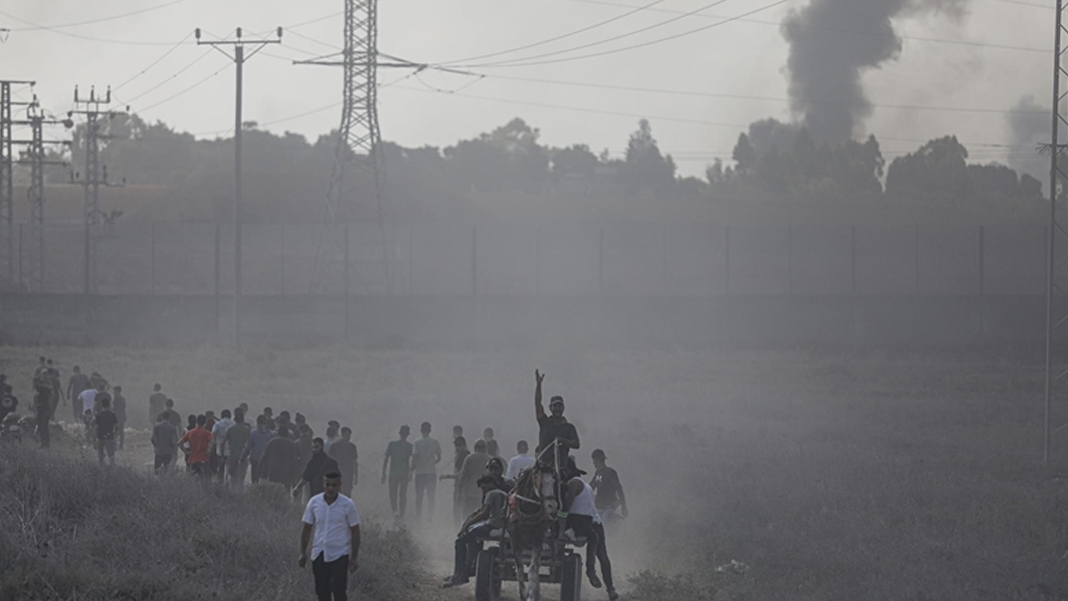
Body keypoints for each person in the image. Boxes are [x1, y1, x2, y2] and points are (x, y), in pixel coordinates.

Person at [299, 470, 360, 601]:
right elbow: (307, 529)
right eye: (328, 484)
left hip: (340, 554)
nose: (330, 488)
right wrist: (302, 553)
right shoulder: (314, 502)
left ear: (339, 485)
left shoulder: (347, 505)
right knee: (322, 592)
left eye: (334, 485)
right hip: (319, 553)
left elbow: (355, 531)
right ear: (323, 484)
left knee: (339, 589)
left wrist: (354, 558)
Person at [563, 457, 617, 601]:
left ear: (567, 471)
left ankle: (592, 571)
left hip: (586, 521)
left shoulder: (573, 483)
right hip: (593, 521)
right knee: (602, 555)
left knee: (600, 551)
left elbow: (567, 505)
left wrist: (560, 517)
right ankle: (610, 589)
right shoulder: (585, 485)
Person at [442, 476, 508, 588]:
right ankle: (468, 568)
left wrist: (466, 525)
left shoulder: (491, 494)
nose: (483, 490)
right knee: (473, 538)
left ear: (491, 483)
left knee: (460, 541)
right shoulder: (504, 494)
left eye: (484, 487)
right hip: (502, 525)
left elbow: (485, 514)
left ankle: (459, 574)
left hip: (491, 525)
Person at [534, 370, 580, 469]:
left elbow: (576, 444)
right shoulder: (545, 422)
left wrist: (563, 441)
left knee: (576, 484)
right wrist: (538, 385)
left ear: (563, 408)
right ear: (550, 408)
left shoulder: (569, 427)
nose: (557, 409)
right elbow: (538, 403)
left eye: (560, 406)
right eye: (555, 406)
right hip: (543, 468)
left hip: (562, 468)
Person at [442, 439, 490, 522]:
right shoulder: (489, 459)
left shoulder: (469, 458)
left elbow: (463, 476)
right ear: (485, 448)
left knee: (467, 515)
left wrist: (459, 491)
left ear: (475, 448)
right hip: (484, 494)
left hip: (470, 493)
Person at [382, 425, 413, 520]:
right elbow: (414, 460)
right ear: (408, 435)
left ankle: (395, 511)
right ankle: (402, 515)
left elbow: (386, 459)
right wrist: (411, 472)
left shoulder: (392, 444)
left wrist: (383, 473)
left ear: (400, 433)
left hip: (393, 473)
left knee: (393, 494)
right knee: (403, 494)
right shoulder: (410, 446)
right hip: (404, 473)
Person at [411, 421, 442, 521]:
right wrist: (433, 463)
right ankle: (430, 517)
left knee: (419, 496)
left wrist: (411, 470)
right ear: (430, 431)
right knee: (431, 496)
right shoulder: (435, 442)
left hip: (420, 473)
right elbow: (439, 457)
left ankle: (418, 516)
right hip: (431, 472)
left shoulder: (417, 442)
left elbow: (415, 458)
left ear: (421, 431)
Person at [590, 449, 628, 522]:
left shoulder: (610, 473)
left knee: (605, 526)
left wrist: (623, 505)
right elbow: (591, 487)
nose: (593, 463)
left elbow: (619, 489)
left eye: (594, 461)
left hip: (609, 506)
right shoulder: (597, 473)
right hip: (599, 507)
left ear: (597, 460)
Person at [445, 436, 471, 525]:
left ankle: (459, 528)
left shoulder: (464, 456)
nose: (456, 447)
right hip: (464, 486)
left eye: (458, 445)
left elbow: (461, 472)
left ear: (463, 445)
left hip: (461, 486)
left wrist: (448, 476)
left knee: (458, 509)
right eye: (456, 445)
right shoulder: (464, 455)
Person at [327, 426, 359, 498]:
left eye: (349, 435)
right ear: (342, 435)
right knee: (343, 494)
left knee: (343, 493)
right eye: (347, 435)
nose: (349, 437)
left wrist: (356, 475)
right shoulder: (335, 446)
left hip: (344, 473)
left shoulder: (351, 446)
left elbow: (354, 462)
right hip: (341, 473)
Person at [224, 410, 252, 486]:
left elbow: (223, 442)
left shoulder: (230, 429)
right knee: (241, 478)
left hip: (232, 455)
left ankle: (232, 494)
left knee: (232, 477)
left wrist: (223, 454)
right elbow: (250, 443)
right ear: (243, 419)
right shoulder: (247, 430)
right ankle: (240, 494)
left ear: (234, 419)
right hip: (243, 456)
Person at [244, 415, 275, 484]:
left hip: (256, 459)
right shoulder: (271, 434)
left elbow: (248, 446)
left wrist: (243, 456)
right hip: (267, 460)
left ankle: (255, 493)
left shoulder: (253, 433)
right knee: (264, 479)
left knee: (255, 479)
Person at [93, 397, 120, 466]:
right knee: (111, 454)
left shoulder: (98, 416)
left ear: (101, 405)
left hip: (100, 437)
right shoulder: (112, 415)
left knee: (100, 455)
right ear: (109, 405)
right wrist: (114, 434)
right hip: (109, 436)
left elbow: (96, 428)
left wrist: (95, 438)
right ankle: (112, 469)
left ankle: (101, 469)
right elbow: (117, 426)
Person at [210, 409, 235, 482]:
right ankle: (229, 485)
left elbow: (213, 436)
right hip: (231, 451)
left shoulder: (218, 424)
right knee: (229, 471)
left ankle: (220, 486)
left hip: (220, 451)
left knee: (220, 470)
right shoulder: (233, 424)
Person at [32, 375, 53, 449]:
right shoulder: (47, 388)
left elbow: (36, 398)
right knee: (45, 427)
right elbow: (51, 396)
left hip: (41, 409)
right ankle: (46, 443)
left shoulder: (38, 389)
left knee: (41, 426)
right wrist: (49, 403)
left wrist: (34, 407)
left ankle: (43, 443)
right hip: (47, 408)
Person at [111, 385, 127, 450]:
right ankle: (121, 445)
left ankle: (115, 445)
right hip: (122, 416)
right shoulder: (123, 398)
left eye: (114, 390)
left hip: (116, 417)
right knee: (121, 431)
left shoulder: (116, 398)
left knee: (115, 431)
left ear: (117, 391)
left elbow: (114, 408)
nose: (113, 392)